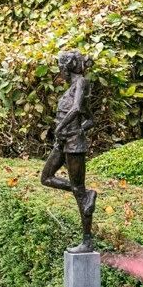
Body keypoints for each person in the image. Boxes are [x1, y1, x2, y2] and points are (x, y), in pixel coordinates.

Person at [40, 50, 96, 248]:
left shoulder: (81, 82)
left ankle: (87, 241)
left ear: (67, 67)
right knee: (46, 177)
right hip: (63, 142)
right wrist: (75, 129)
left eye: (60, 67)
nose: (60, 72)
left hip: (74, 146)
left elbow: (77, 109)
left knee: (78, 191)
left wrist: (62, 128)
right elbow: (90, 119)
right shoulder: (71, 88)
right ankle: (84, 193)